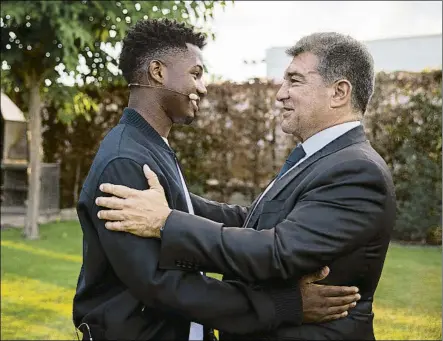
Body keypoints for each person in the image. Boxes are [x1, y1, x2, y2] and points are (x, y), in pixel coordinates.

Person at [96, 32, 396, 340]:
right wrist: (174, 197)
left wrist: (165, 222)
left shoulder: (356, 170)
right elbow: (251, 221)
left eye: (294, 80)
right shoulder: (323, 157)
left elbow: (277, 251)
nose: (280, 94)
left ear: (339, 92)